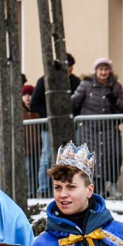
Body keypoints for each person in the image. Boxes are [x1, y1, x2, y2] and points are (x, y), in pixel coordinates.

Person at [72, 57, 123, 198]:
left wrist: (115, 100)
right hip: (89, 128)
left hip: (109, 128)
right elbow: (73, 102)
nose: (103, 72)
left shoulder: (115, 86)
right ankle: (96, 188)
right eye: (101, 69)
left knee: (113, 156)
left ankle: (112, 183)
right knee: (92, 158)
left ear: (110, 71)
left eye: (106, 69)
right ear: (96, 71)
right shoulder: (86, 85)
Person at [31, 53, 81, 196]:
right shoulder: (45, 80)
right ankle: (44, 188)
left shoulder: (75, 81)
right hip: (50, 127)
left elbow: (79, 102)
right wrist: (49, 115)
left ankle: (71, 185)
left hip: (71, 126)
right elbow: (35, 103)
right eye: (68, 66)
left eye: (72, 66)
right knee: (47, 157)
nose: (70, 69)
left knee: (72, 157)